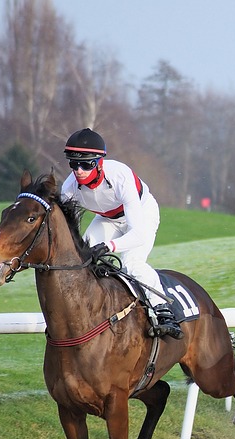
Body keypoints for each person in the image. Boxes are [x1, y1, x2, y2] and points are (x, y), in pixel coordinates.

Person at [60, 128, 183, 340]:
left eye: (86, 164)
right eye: (73, 163)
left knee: (132, 264)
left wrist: (110, 246)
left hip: (141, 215)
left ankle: (164, 311)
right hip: (107, 218)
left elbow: (138, 235)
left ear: (99, 163)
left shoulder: (120, 176)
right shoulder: (69, 189)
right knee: (81, 260)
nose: (78, 171)